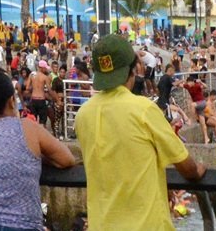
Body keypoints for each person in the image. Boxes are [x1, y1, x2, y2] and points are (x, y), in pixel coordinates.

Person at [75, 34, 205, 230]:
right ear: (133, 69)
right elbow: (187, 168)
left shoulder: (82, 115)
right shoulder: (144, 109)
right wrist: (199, 170)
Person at [0, 71, 75, 231]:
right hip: (24, 225)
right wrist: (35, 157)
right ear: (11, 101)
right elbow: (67, 159)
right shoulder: (28, 128)